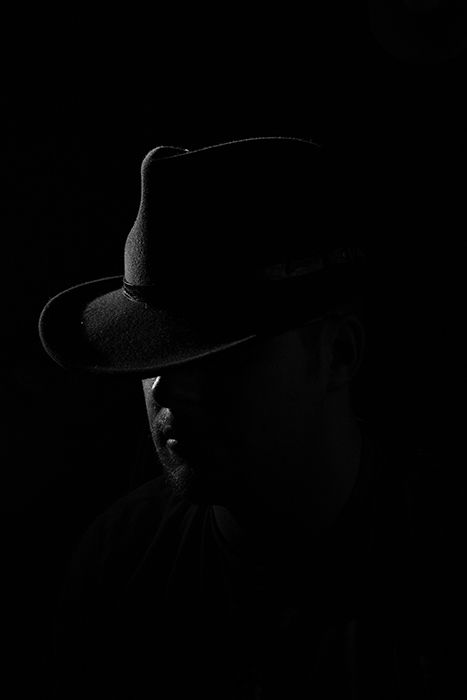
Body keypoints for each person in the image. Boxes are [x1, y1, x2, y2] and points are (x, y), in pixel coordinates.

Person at [39, 137, 437, 698]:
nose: (166, 389)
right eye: (150, 357)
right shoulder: (119, 564)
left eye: (218, 355)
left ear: (338, 354)